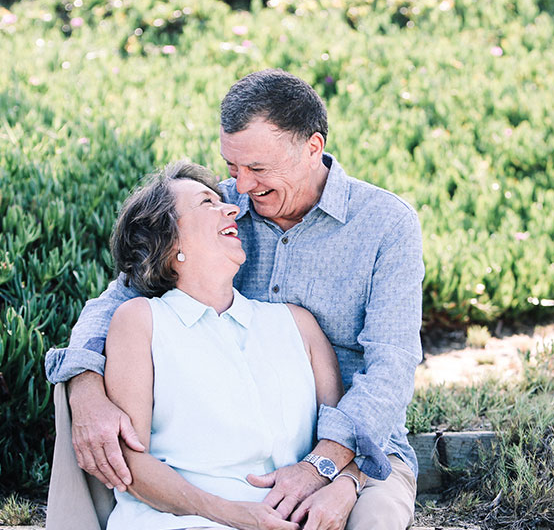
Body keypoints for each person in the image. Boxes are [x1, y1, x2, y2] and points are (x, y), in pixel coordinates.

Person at [45, 69, 424, 530]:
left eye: (258, 169)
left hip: (358, 448)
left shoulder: (386, 224)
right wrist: (83, 386)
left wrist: (330, 469)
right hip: (219, 447)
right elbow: (114, 302)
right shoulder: (216, 209)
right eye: (231, 168)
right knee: (91, 419)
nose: (241, 189)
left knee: (372, 523)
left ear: (312, 148)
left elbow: (392, 365)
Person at [74, 161, 357, 530]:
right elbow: (133, 463)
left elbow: (341, 436)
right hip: (178, 522)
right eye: (207, 203)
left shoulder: (298, 324)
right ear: (169, 241)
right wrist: (232, 515)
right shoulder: (140, 321)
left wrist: (345, 486)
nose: (232, 208)